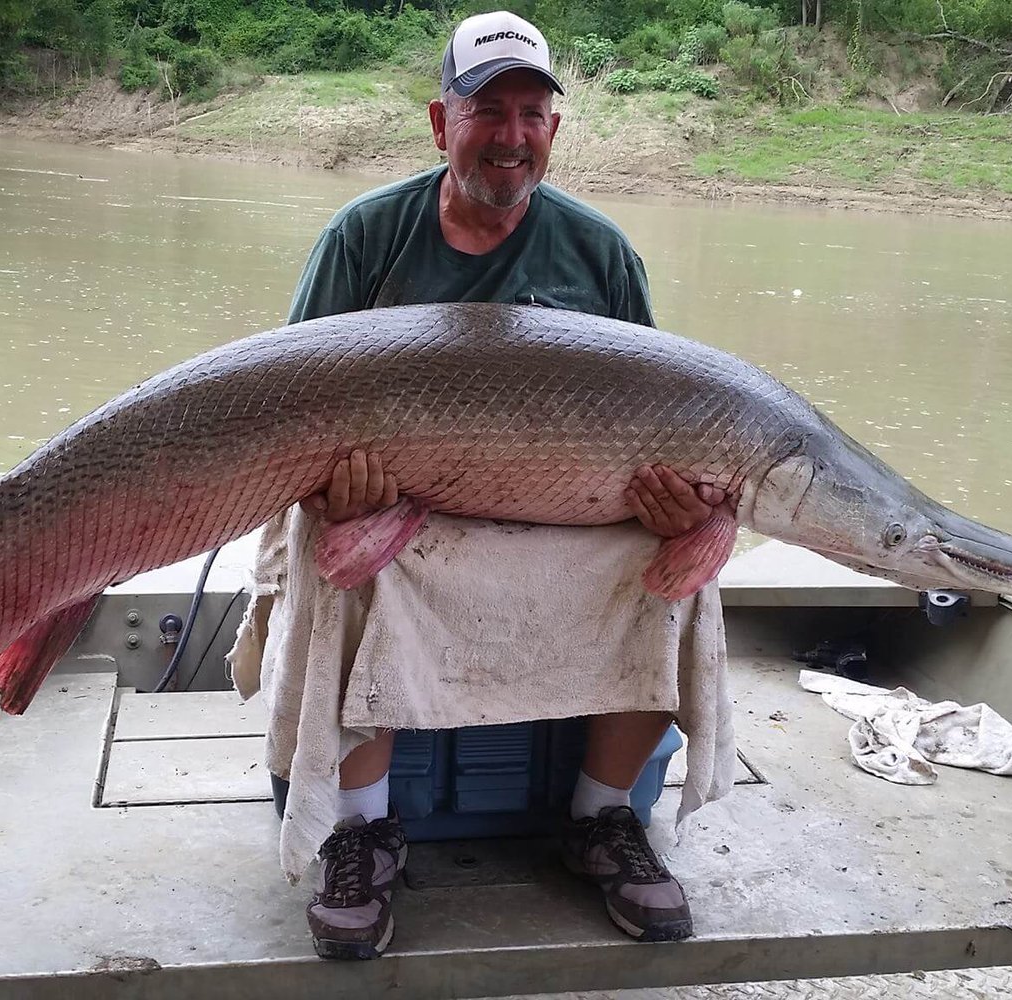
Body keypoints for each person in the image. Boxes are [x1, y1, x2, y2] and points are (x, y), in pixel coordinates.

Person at [282, 10, 727, 960]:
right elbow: (285, 397)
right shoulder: (363, 237)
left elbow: (665, 411)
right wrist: (335, 488)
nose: (511, 135)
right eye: (488, 110)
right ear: (441, 122)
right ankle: (359, 828)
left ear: (553, 132)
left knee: (690, 563)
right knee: (343, 562)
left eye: (532, 113)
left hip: (554, 509)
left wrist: (681, 500)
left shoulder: (601, 255)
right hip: (397, 511)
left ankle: (603, 816)